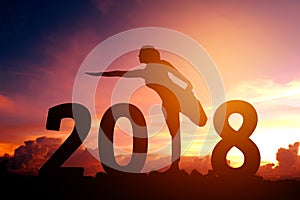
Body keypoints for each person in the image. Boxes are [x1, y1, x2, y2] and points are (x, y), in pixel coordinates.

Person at [86, 45, 207, 171]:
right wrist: (100, 74)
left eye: (141, 54)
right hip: (167, 105)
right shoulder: (144, 72)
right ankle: (175, 166)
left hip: (181, 99)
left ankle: (196, 105)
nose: (139, 56)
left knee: (202, 122)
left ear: (149, 55)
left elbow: (181, 77)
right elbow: (120, 73)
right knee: (175, 136)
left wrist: (187, 87)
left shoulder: (163, 64)